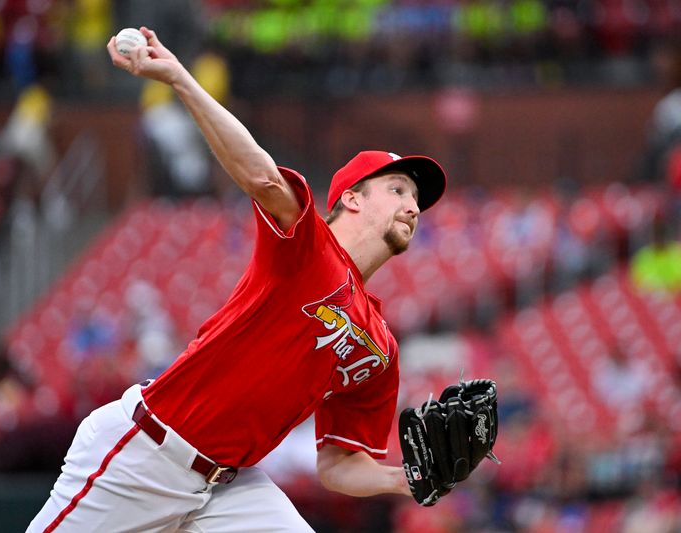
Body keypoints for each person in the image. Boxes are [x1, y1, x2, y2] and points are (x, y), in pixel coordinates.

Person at [27, 26, 447, 532]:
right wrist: (179, 78)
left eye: (417, 200)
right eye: (398, 188)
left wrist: (409, 479)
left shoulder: (379, 348)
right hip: (146, 454)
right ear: (352, 198)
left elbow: (339, 466)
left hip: (228, 486)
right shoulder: (309, 249)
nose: (413, 206)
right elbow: (263, 177)